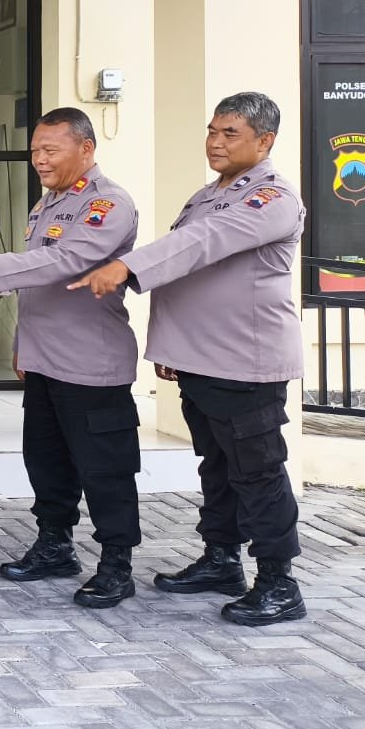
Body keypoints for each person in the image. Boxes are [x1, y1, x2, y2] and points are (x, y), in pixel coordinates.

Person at [71, 92, 307, 626]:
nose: (215, 142)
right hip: (202, 361)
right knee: (217, 467)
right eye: (212, 131)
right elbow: (189, 274)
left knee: (258, 473)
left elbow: (203, 244)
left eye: (230, 134)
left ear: (265, 141)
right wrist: (172, 348)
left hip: (245, 364)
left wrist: (126, 267)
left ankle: (279, 582)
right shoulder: (207, 196)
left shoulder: (271, 198)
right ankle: (221, 559)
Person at [0, 108, 142, 608]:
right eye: (34, 151)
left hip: (92, 365)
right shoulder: (47, 203)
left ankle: (117, 565)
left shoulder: (107, 204)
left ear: (86, 149)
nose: (39, 160)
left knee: (105, 470)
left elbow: (65, 260)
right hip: (45, 361)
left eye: (50, 150)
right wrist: (22, 346)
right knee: (46, 462)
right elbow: (37, 287)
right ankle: (55, 546)